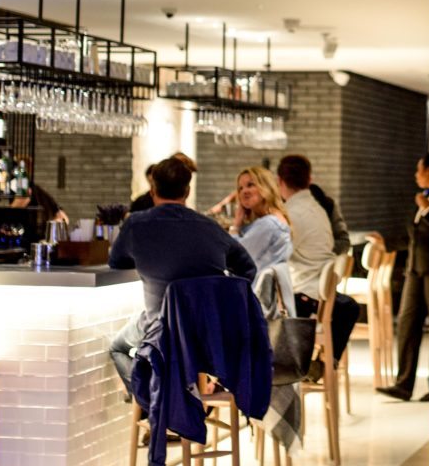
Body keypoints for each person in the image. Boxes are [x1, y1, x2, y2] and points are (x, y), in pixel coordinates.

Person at [106, 156, 257, 395]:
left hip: (160, 330)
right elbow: (247, 269)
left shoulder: (135, 225)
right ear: (187, 191)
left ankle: (154, 404)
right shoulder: (210, 227)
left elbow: (117, 262)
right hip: (209, 333)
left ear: (152, 190)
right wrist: (222, 306)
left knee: (118, 347)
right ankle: (177, 402)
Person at [276, 154, 359, 364]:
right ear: (309, 179)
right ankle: (321, 364)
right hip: (318, 293)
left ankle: (265, 375)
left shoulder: (292, 214)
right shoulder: (319, 209)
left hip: (303, 296)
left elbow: (274, 258)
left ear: (280, 182)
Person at [375, 153, 429, 402]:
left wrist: (428, 209)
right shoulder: (422, 198)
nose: (416, 175)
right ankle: (403, 384)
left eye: (419, 170)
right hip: (414, 270)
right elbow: (414, 237)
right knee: (407, 324)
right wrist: (386, 243)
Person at [228, 165, 293, 270]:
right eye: (240, 188)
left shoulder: (269, 223)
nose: (244, 191)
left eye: (250, 185)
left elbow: (233, 258)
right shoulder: (273, 218)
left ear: (266, 187)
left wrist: (235, 226)